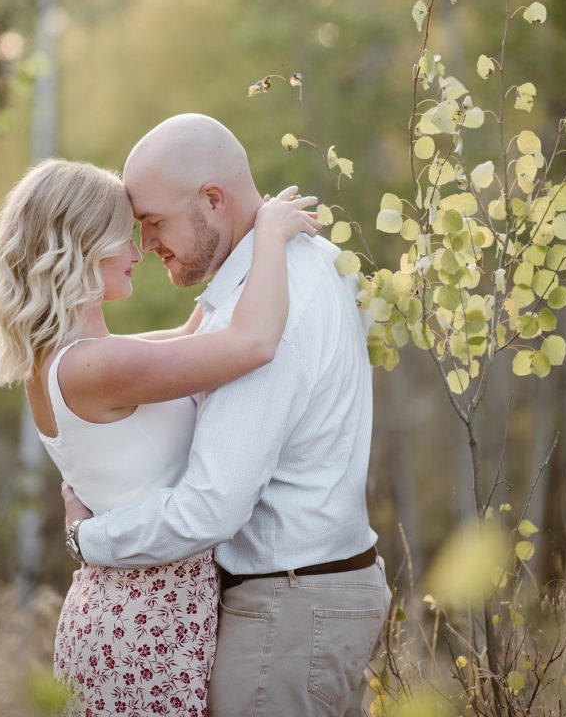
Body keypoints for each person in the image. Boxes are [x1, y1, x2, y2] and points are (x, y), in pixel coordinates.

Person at [63, 113, 391, 717]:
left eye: (153, 222)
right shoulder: (304, 264)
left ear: (213, 200)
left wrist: (89, 539)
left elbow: (209, 508)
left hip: (288, 611)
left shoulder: (267, 305)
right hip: (310, 603)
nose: (146, 245)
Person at [0, 156, 321, 716]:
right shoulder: (97, 366)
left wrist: (236, 245)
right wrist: (271, 236)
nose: (140, 252)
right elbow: (251, 343)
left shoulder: (67, 360)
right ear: (83, 246)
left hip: (136, 612)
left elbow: (196, 330)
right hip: (141, 627)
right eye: (124, 238)